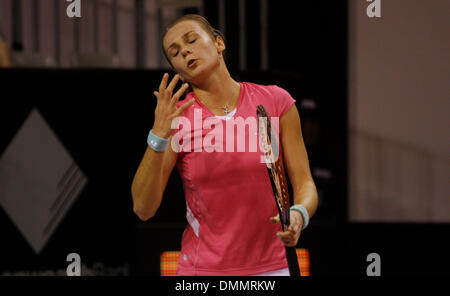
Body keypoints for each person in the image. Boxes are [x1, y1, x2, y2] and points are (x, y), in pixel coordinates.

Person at [131, 14, 318, 276]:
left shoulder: (275, 101)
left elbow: (305, 185)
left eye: (192, 40)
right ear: (177, 69)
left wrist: (299, 213)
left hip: (273, 268)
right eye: (174, 52)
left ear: (219, 43)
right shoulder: (178, 120)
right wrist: (158, 134)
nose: (184, 50)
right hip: (203, 271)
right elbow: (143, 208)